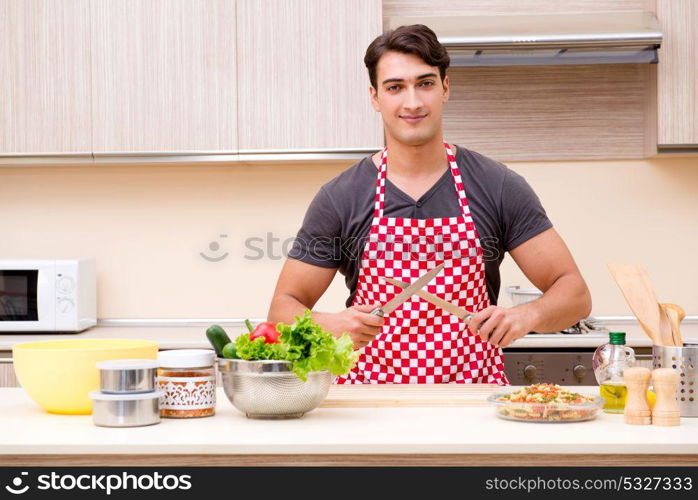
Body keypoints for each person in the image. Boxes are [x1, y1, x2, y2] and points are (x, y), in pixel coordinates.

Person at [268, 24, 591, 384]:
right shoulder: (341, 196)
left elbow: (575, 294)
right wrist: (331, 323)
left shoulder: (498, 186)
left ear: (445, 88)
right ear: (375, 98)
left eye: (425, 83)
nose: (413, 102)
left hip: (472, 404)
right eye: (395, 87)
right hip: (369, 407)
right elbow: (281, 310)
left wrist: (525, 316)